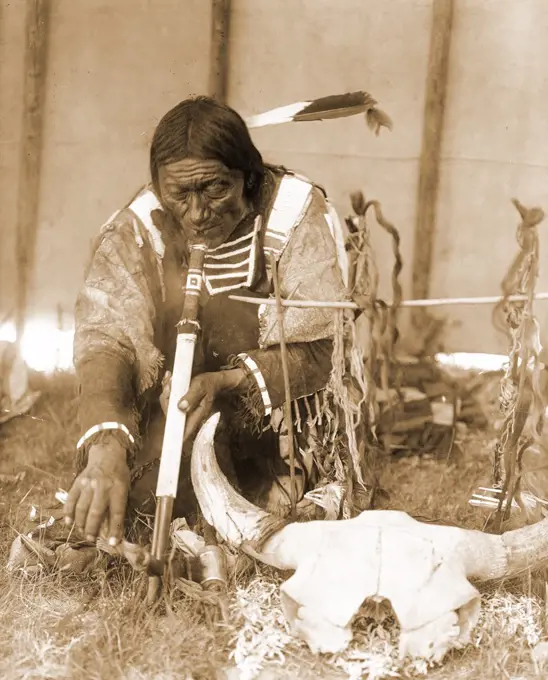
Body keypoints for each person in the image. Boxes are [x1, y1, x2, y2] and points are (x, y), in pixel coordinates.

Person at [64, 95, 348, 549]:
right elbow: (107, 335)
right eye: (180, 194)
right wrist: (106, 448)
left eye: (216, 188)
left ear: (248, 177)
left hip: (271, 413)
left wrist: (230, 380)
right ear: (158, 185)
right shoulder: (139, 226)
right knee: (138, 500)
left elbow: (323, 345)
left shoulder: (294, 213)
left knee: (275, 509)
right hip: (174, 405)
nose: (198, 214)